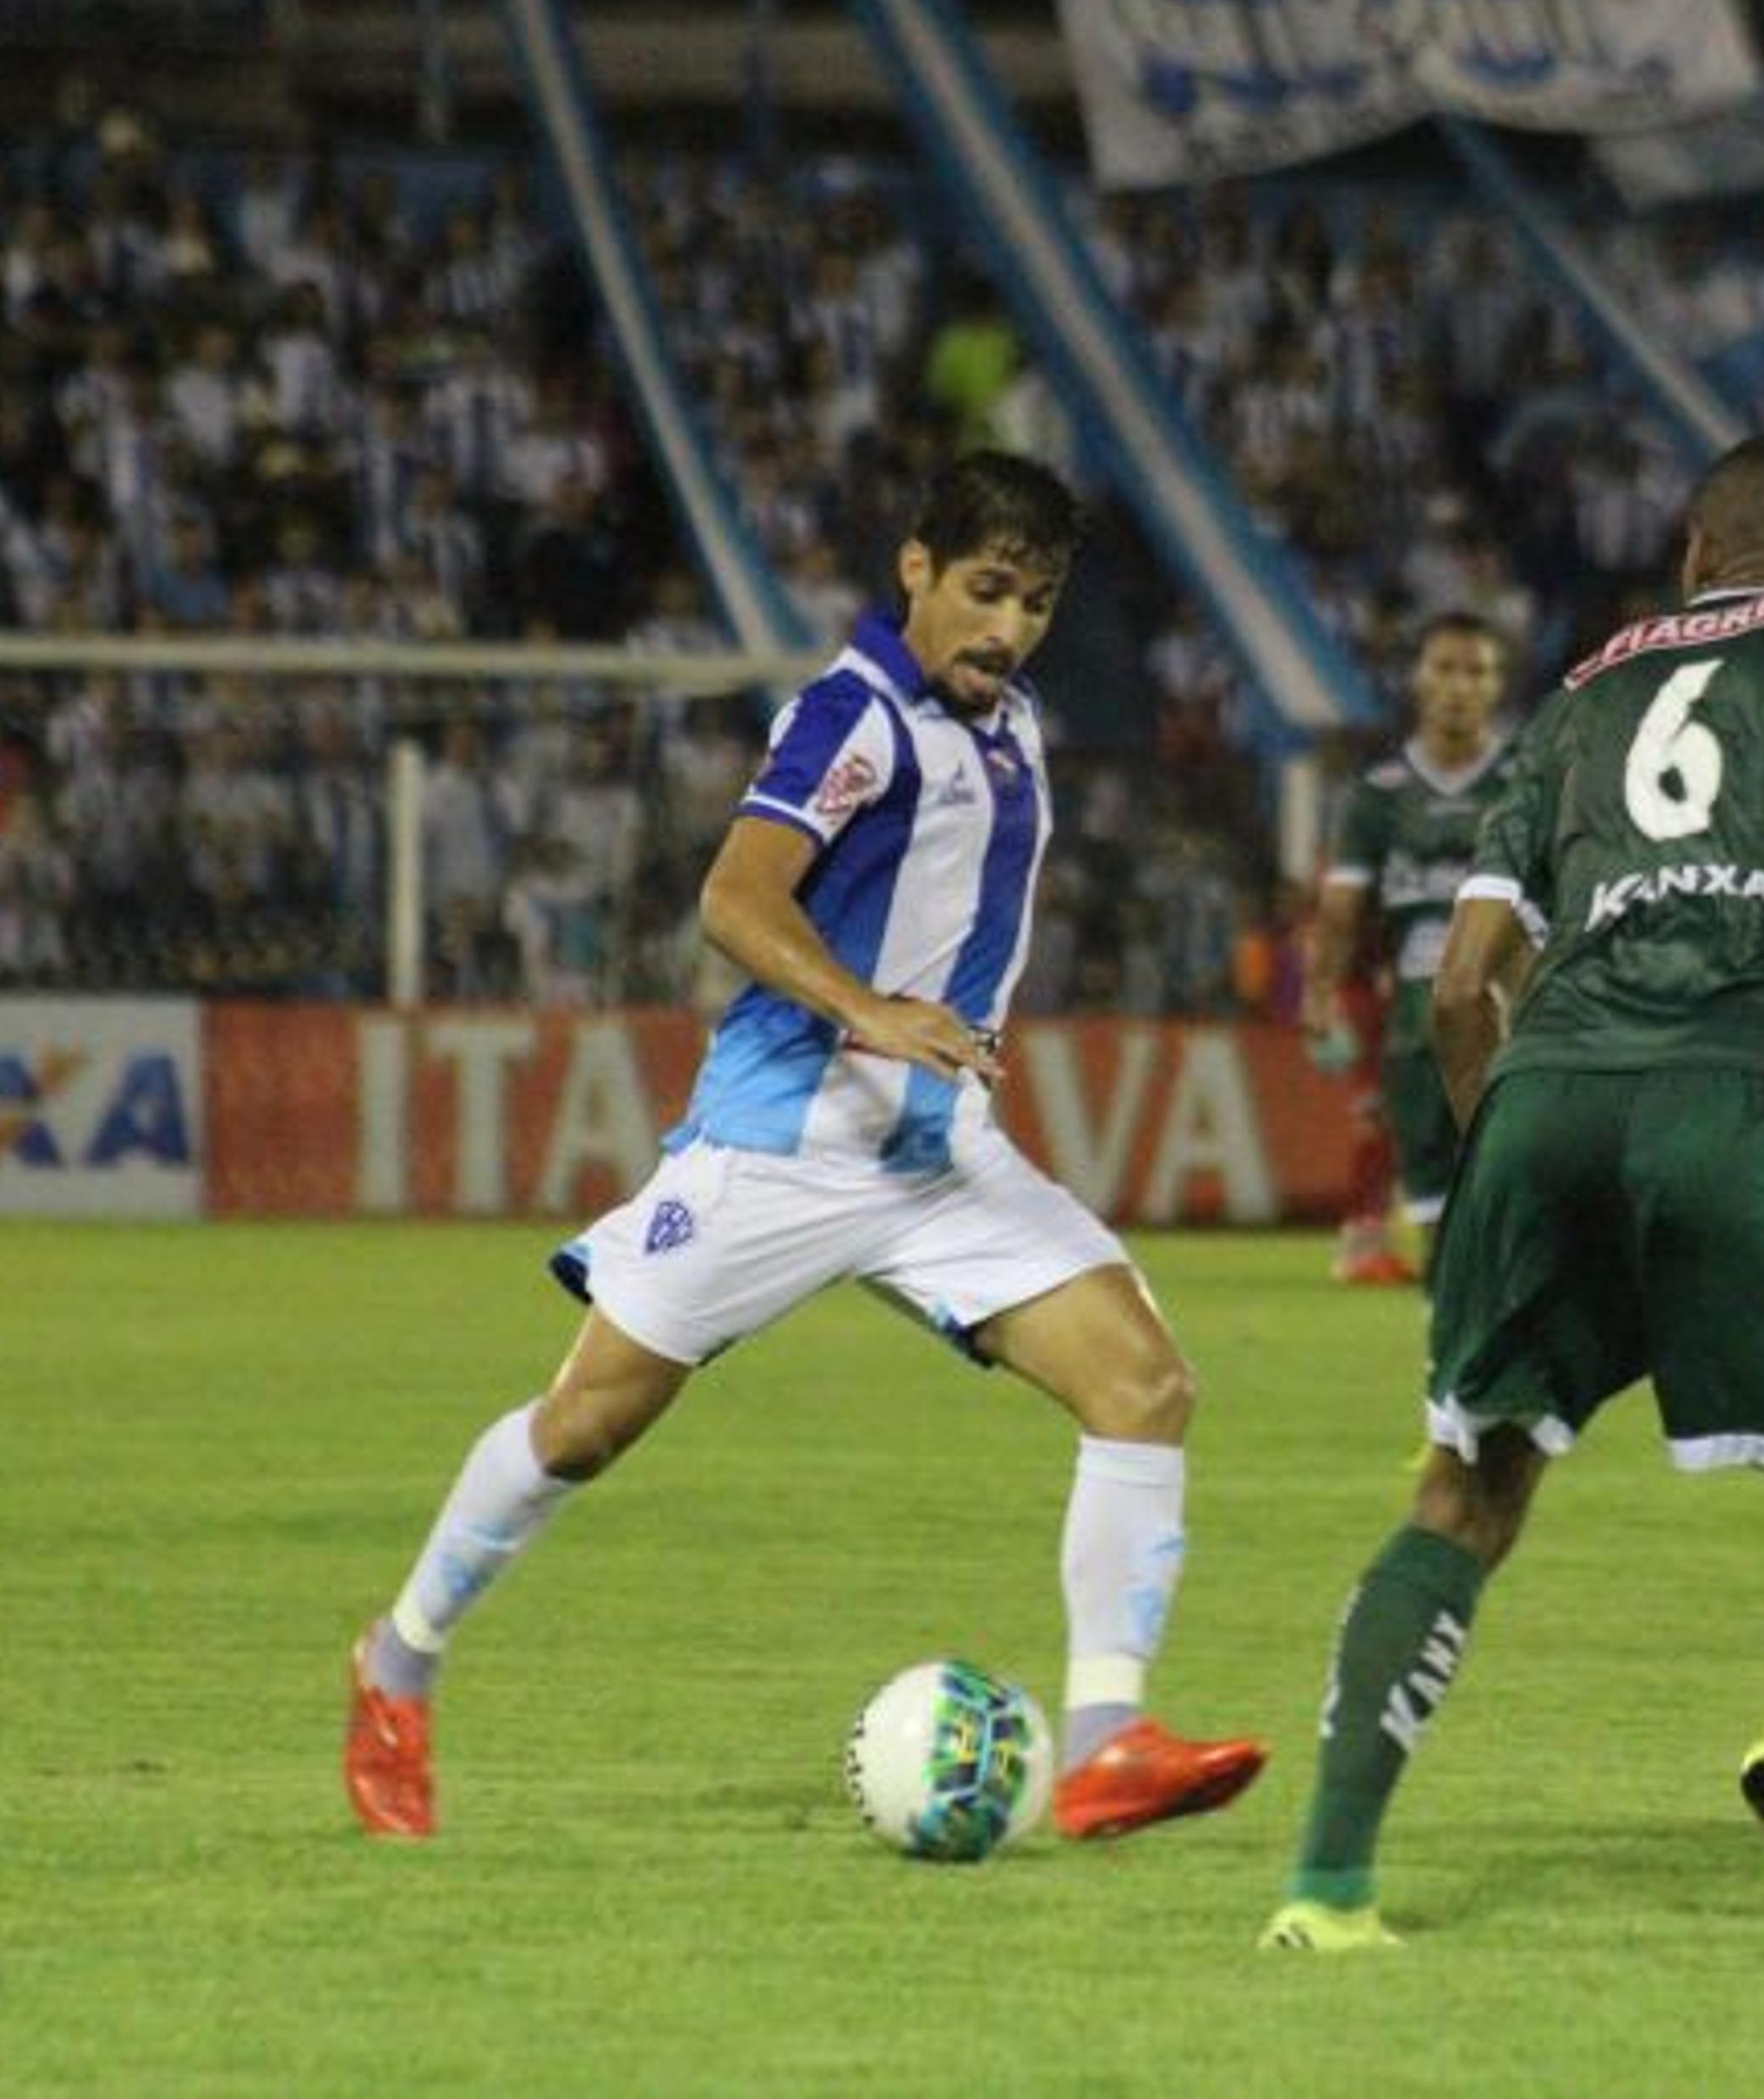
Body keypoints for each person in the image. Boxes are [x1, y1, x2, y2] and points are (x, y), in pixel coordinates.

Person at [345, 452, 1266, 1842]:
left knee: (1144, 1384)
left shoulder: (1013, 728)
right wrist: (867, 1008)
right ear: (917, 569)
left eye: (1037, 600)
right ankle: (395, 1667)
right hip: (783, 1142)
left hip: (939, 1157)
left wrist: (917, 1034)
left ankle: (1105, 1741)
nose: (1008, 627)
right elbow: (734, 896)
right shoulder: (855, 717)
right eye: (985, 590)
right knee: (585, 1424)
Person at [1260, 436, 1764, 1950]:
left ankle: (1327, 1886)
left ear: (1695, 556)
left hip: (1545, 1096)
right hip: (1747, 1093)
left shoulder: (1575, 698)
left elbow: (1459, 994)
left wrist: (1513, 1169)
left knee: (1462, 1496)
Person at [1301, 612, 1517, 1286]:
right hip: (1413, 1024)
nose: (1459, 686)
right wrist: (1318, 995)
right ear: (1419, 681)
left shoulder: (1527, 781)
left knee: (1515, 1190)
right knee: (1438, 1226)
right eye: (1445, 669)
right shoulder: (1378, 797)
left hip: (1518, 1016)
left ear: (1497, 686)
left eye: (1475, 671)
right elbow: (1339, 913)